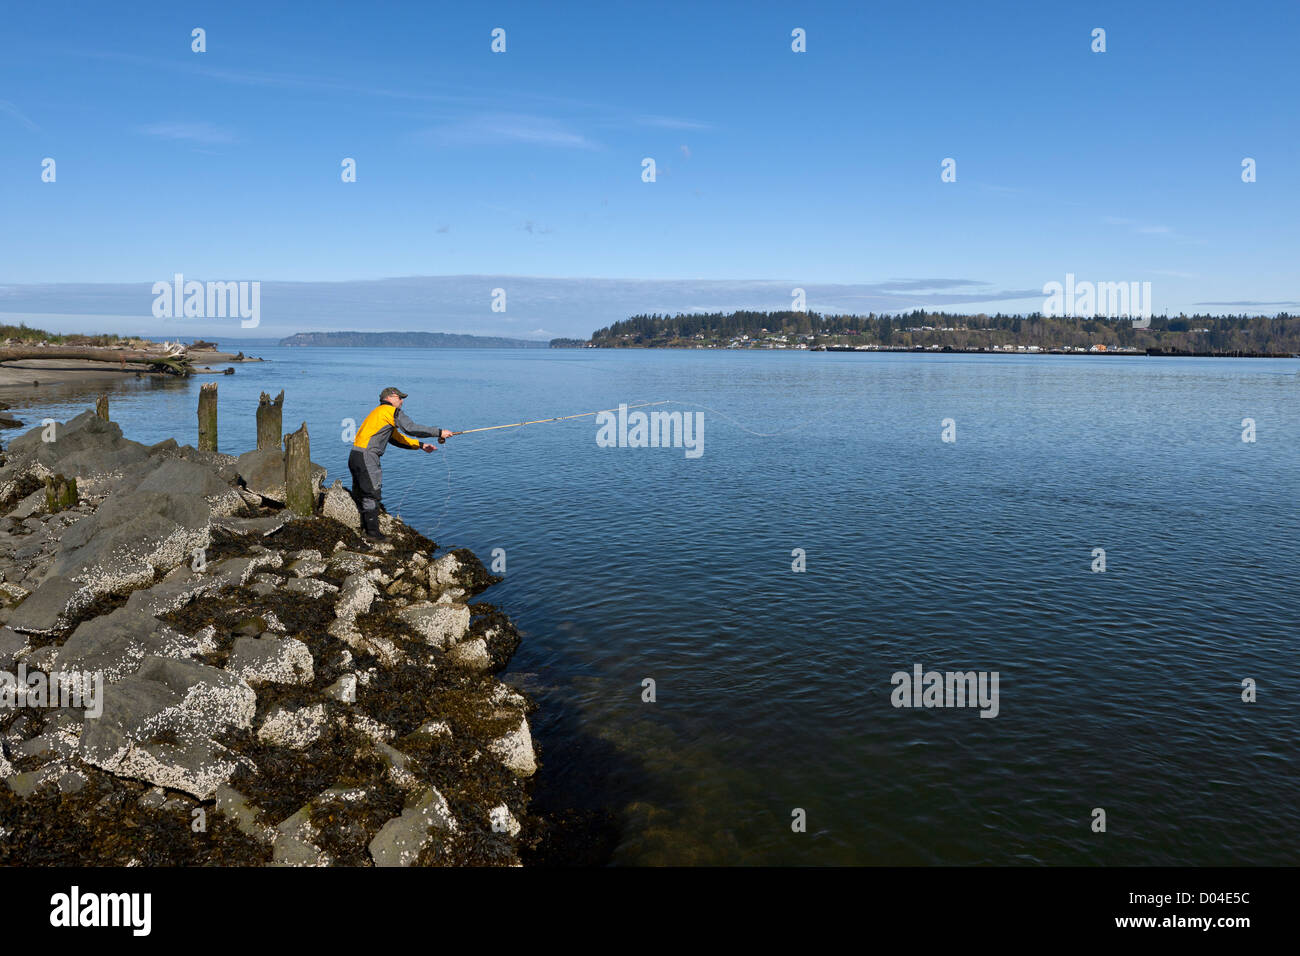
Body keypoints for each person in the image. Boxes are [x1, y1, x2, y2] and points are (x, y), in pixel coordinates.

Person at [349, 387, 452, 540]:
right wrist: (439, 432)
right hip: (367, 457)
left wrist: (421, 445)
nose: (402, 402)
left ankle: (363, 529)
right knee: (372, 494)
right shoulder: (390, 412)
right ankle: (373, 535)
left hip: (355, 456)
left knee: (361, 493)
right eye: (400, 398)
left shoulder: (378, 413)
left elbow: (396, 438)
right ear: (392, 397)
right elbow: (410, 428)